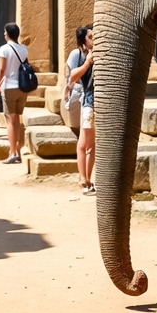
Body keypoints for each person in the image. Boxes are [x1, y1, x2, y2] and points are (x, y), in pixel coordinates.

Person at [0, 22, 29, 164]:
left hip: (9, 86)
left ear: (8, 34)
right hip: (22, 87)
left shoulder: (4, 49)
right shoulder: (24, 49)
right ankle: (17, 150)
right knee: (17, 120)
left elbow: (2, 69)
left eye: (5, 32)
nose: (3, 34)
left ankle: (13, 151)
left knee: (10, 120)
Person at [67, 25, 96, 195]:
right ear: (84, 40)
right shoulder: (78, 55)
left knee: (92, 145)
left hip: (102, 103)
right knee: (84, 143)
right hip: (89, 102)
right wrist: (88, 62)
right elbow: (72, 76)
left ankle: (89, 179)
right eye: (91, 36)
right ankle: (83, 179)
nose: (94, 39)